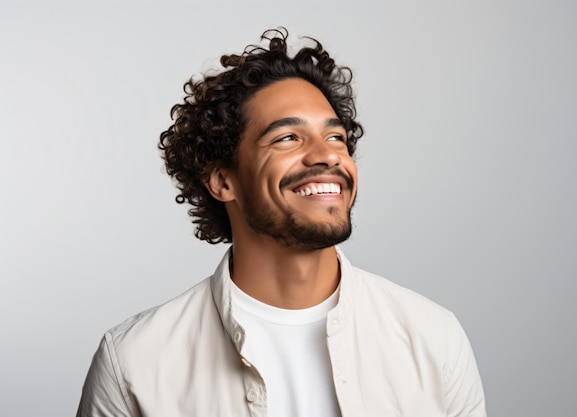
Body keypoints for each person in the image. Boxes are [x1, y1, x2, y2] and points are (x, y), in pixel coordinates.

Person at [76, 28, 487, 417]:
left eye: (336, 137)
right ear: (223, 180)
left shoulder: (433, 337)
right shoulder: (133, 361)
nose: (326, 155)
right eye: (287, 138)